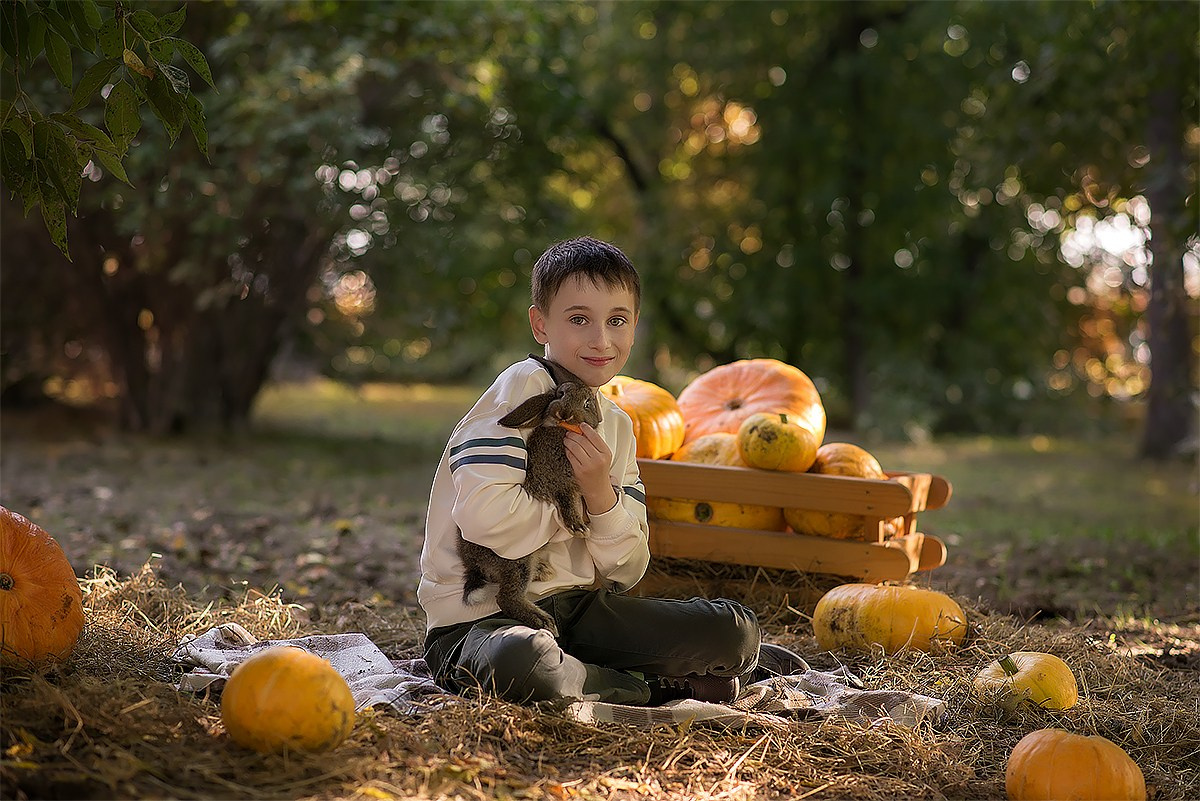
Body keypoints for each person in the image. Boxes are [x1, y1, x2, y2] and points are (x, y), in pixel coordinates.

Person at [418, 236, 804, 706]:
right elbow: (487, 523)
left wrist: (601, 494)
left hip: (578, 614)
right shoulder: (519, 391)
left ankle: (593, 672)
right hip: (480, 620)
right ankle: (644, 686)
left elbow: (626, 568)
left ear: (635, 326)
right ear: (540, 323)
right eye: (579, 319)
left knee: (736, 632)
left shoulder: (617, 425)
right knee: (522, 661)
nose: (601, 340)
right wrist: (573, 501)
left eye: (616, 320)